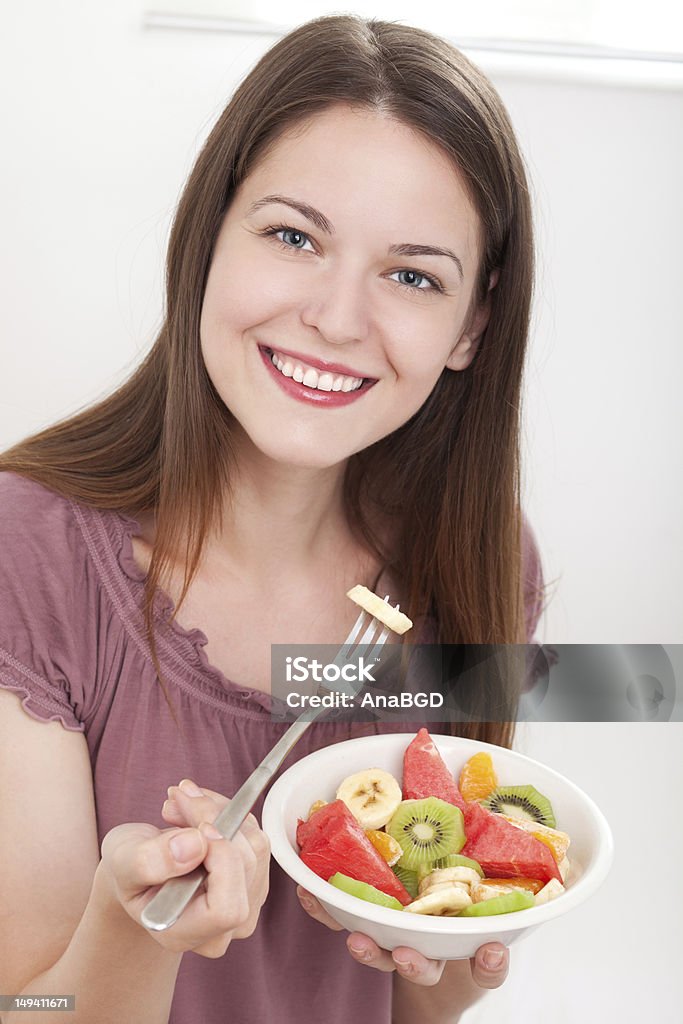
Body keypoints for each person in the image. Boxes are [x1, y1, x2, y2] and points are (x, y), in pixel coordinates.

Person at [0, 14, 545, 1024]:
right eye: (292, 236)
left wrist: (456, 959)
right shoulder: (24, 554)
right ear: (209, 232)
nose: (336, 319)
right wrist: (130, 933)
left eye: (412, 275)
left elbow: (414, 1001)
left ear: (471, 324)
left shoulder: (480, 562)